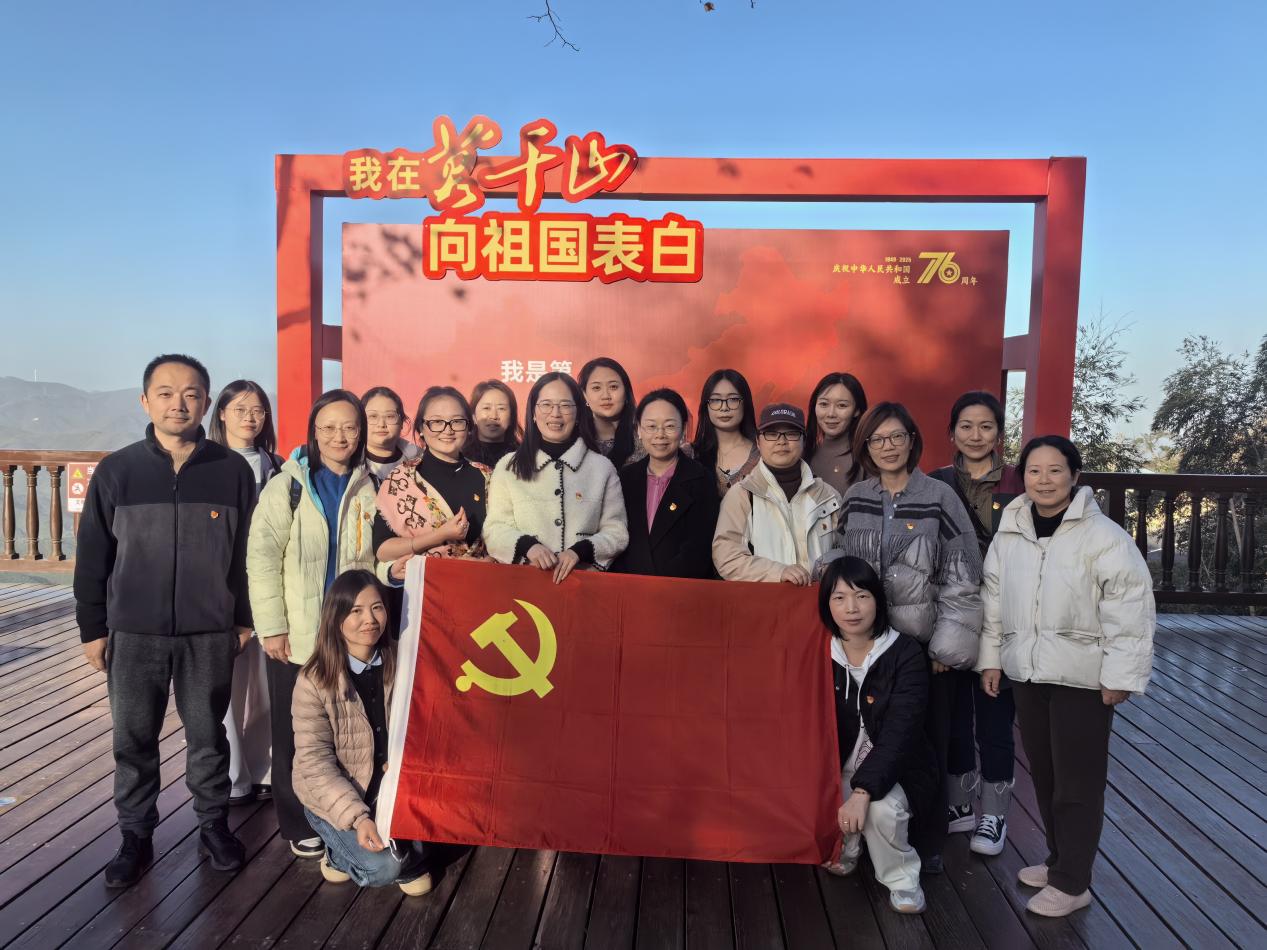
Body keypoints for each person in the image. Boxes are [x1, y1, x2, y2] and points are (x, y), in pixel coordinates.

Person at [75, 354, 253, 886]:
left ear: (207, 402)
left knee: (208, 736)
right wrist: (93, 629)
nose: (180, 403)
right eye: (167, 392)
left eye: (192, 393)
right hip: (133, 632)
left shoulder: (232, 471)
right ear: (145, 401)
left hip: (209, 631)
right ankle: (135, 835)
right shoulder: (117, 471)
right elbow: (93, 556)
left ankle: (213, 825)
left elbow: (248, 556)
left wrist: (243, 619)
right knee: (133, 739)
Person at [979, 435, 1154, 918]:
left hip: (1083, 677)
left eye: (1055, 470)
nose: (1044, 480)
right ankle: (1059, 861)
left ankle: (1074, 883)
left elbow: (1130, 611)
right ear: (1023, 477)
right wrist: (991, 659)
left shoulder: (1104, 537)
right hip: (1028, 672)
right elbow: (993, 602)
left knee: (1078, 782)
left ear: (1075, 476)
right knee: (1046, 773)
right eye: (1034, 471)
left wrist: (1120, 676)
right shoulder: (1011, 530)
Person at [822, 401, 983, 873]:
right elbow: (839, 559)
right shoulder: (857, 497)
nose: (887, 446)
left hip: (921, 650)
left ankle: (926, 843)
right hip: (866, 647)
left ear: (912, 441)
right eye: (877, 439)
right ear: (865, 446)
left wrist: (946, 647)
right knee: (870, 738)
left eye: (896, 436)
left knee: (926, 746)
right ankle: (863, 837)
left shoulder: (939, 497)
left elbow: (963, 574)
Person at [247, 389, 381, 859]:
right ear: (313, 432)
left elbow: (377, 558)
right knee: (294, 734)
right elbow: (262, 558)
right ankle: (297, 821)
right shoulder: (288, 486)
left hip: (353, 633)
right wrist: (272, 626)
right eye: (328, 427)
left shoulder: (371, 485)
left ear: (361, 432)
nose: (339, 436)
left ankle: (347, 812)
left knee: (349, 729)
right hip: (301, 633)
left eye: (349, 427)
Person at [292, 570, 433, 896]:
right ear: (336, 618)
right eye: (356, 611)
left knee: (434, 841)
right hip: (338, 794)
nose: (369, 619)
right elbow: (314, 763)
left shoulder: (403, 659)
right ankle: (337, 851)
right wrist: (358, 818)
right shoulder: (313, 680)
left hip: (392, 789)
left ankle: (394, 852)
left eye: (377, 607)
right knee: (384, 868)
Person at [929, 391, 1025, 856]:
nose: (975, 435)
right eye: (966, 426)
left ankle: (995, 814)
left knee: (994, 717)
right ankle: (960, 803)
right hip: (951, 613)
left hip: (1002, 615)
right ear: (952, 433)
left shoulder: (1020, 483)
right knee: (953, 716)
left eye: (986, 426)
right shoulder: (935, 483)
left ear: (999, 435)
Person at [819, 556, 936, 915]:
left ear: (878, 600)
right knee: (822, 795)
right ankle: (847, 845)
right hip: (837, 765)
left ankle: (902, 878)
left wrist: (863, 791)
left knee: (879, 810)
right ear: (826, 604)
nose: (851, 608)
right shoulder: (819, 651)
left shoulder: (904, 653)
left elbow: (901, 733)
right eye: (839, 598)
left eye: (862, 596)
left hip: (898, 769)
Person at [208, 379, 282, 806]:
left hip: (267, 583)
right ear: (221, 413)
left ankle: (261, 767)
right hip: (223, 584)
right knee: (227, 684)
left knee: (267, 681)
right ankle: (233, 775)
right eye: (239, 409)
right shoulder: (207, 462)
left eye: (257, 410)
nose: (250, 418)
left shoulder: (277, 465)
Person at [483, 372, 629, 580]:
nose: (555, 414)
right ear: (533, 412)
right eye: (546, 405)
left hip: (584, 582)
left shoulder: (602, 468)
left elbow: (617, 532)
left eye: (565, 405)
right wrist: (528, 547)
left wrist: (580, 551)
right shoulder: (508, 467)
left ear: (578, 413)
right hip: (524, 584)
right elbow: (494, 529)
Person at [712, 403, 841, 584]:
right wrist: (778, 572)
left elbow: (846, 552)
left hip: (819, 600)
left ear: (804, 440)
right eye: (771, 434)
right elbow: (727, 558)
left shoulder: (828, 496)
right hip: (765, 600)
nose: (782, 441)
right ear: (758, 442)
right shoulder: (742, 495)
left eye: (791, 433)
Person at [374, 386, 492, 581]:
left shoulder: (488, 477)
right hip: (426, 590)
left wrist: (492, 562)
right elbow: (382, 550)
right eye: (437, 422)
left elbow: (506, 535)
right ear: (421, 428)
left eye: (457, 421)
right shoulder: (401, 480)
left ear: (469, 426)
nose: (448, 430)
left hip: (481, 586)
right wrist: (439, 535)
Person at [611, 389, 719, 578]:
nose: (660, 434)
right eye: (651, 426)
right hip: (629, 586)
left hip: (680, 587)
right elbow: (616, 536)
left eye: (669, 426)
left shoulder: (702, 479)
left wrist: (659, 586)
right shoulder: (625, 478)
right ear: (639, 430)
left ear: (683, 429)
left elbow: (698, 550)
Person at [691, 369, 761, 498]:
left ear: (745, 403)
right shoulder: (690, 455)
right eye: (716, 400)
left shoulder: (763, 455)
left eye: (733, 399)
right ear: (706, 406)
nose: (724, 408)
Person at [805, 372, 868, 497]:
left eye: (842, 405)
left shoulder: (868, 456)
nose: (831, 414)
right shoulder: (802, 452)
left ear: (857, 410)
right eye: (824, 404)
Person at [578, 357, 639, 469]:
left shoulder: (644, 436)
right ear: (584, 395)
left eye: (613, 387)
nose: (606, 396)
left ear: (626, 391)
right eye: (596, 388)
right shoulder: (574, 439)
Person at [361, 386, 421, 483]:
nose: (381, 424)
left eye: (390, 416)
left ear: (402, 422)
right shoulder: (349, 462)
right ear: (361, 421)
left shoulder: (419, 462)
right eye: (373, 416)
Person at [464, 379, 522, 469]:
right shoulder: (460, 456)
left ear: (511, 416)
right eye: (486, 408)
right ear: (473, 416)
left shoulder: (522, 457)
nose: (494, 416)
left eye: (501, 408)